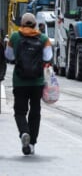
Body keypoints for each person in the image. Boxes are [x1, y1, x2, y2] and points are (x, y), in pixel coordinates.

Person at [5, 13, 53, 155]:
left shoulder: (14, 37)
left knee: (20, 112)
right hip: (37, 82)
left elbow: (9, 56)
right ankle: (31, 144)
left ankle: (24, 132)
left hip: (20, 81)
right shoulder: (43, 38)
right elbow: (48, 57)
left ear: (22, 24)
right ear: (35, 25)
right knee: (35, 111)